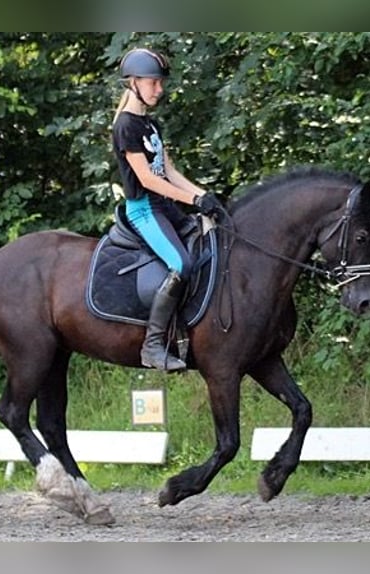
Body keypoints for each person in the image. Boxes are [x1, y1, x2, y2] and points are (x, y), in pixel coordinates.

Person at [111, 47, 223, 372]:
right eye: (154, 83)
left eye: (160, 83)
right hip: (144, 209)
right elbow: (146, 179)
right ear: (133, 82)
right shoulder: (126, 127)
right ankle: (153, 345)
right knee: (181, 264)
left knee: (206, 244)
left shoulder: (150, 124)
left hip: (166, 205)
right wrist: (192, 201)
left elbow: (168, 171)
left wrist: (204, 195)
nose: (160, 90)